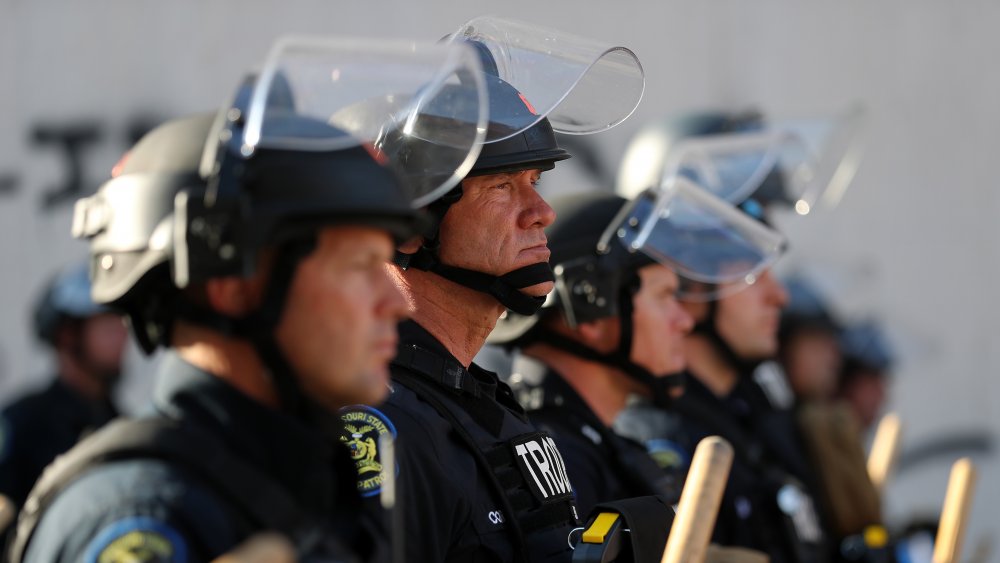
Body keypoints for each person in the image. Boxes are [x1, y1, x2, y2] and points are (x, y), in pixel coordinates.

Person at [7, 42, 462, 558]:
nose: (395, 304)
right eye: (359, 267)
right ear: (231, 285)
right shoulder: (145, 515)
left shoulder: (313, 482)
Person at [337, 17, 645, 563]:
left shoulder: (476, 404)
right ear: (411, 226)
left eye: (535, 180)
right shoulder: (387, 427)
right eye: (501, 187)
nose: (541, 213)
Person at [0, 264, 127, 509]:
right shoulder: (22, 424)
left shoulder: (121, 425)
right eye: (108, 326)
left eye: (122, 324)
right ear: (69, 335)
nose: (122, 337)